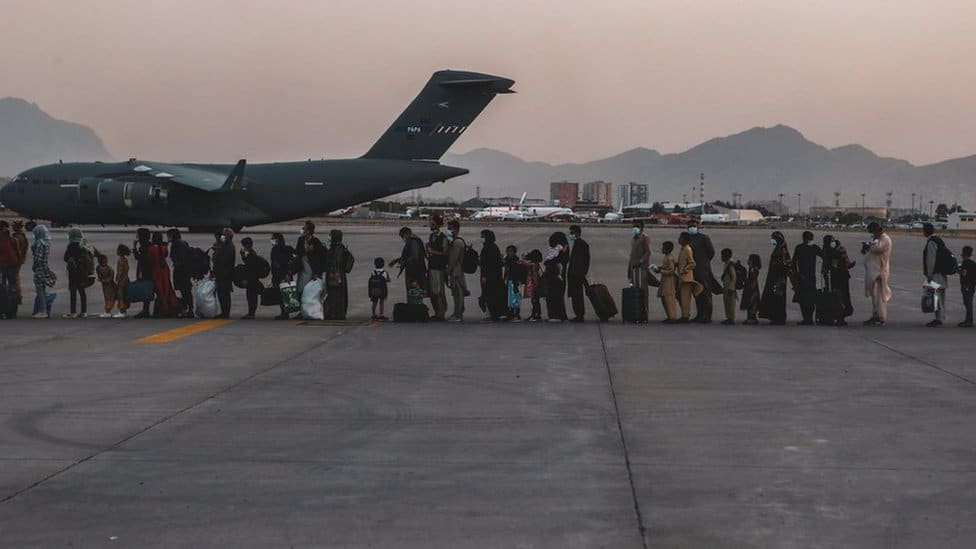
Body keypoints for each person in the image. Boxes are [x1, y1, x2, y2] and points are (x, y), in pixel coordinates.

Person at [861, 222, 892, 326]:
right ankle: (875, 315)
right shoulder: (877, 239)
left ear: (877, 230)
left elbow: (877, 249)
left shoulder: (885, 239)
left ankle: (881, 317)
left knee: (881, 295)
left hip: (881, 271)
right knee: (874, 295)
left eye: (873, 232)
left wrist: (870, 245)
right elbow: (870, 249)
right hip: (874, 271)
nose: (872, 234)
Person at [686, 220, 716, 323]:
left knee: (706, 292)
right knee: (697, 292)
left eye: (693, 226)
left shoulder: (704, 238)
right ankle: (700, 314)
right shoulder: (688, 239)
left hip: (703, 269)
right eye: (690, 226)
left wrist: (704, 262)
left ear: (698, 226)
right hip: (692, 270)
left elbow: (711, 252)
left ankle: (707, 316)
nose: (692, 228)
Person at [760, 231, 791, 325]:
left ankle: (778, 317)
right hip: (775, 277)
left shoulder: (782, 250)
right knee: (776, 296)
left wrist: (776, 266)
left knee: (778, 297)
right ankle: (775, 316)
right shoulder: (779, 248)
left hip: (779, 279)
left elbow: (785, 264)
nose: (772, 240)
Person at [63, 227, 95, 319]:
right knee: (82, 291)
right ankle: (84, 312)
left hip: (73, 272)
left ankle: (73, 312)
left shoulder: (71, 246)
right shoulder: (85, 244)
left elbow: (65, 258)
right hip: (83, 272)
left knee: (73, 292)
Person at [821, 235, 854, 326]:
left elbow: (846, 263)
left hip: (839, 276)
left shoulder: (838, 249)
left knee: (840, 296)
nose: (833, 242)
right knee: (839, 296)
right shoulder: (830, 250)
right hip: (837, 276)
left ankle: (840, 317)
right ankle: (839, 317)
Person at [792, 231, 822, 325]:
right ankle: (808, 318)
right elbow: (824, 256)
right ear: (805, 238)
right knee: (807, 298)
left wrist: (795, 273)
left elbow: (793, 262)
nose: (812, 240)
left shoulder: (800, 248)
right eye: (811, 238)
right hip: (807, 276)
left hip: (804, 276)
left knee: (805, 298)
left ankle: (807, 318)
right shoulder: (812, 248)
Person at [148, 231, 181, 317]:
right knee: (166, 289)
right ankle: (167, 307)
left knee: (160, 290)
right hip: (164, 270)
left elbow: (150, 260)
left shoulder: (151, 249)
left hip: (156, 271)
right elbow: (165, 255)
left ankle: (163, 308)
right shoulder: (164, 247)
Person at [922, 223, 949, 327]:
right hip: (941, 273)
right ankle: (940, 317)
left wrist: (929, 274)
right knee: (941, 296)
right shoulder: (938, 240)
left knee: (935, 296)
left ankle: (938, 319)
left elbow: (930, 259)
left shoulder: (931, 242)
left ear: (925, 231)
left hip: (935, 274)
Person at [391, 227, 427, 301]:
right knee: (413, 293)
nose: (403, 239)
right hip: (415, 270)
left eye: (402, 236)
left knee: (413, 293)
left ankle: (414, 309)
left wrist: (404, 262)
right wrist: (397, 260)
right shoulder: (413, 241)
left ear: (407, 234)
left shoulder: (413, 242)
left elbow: (414, 257)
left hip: (415, 272)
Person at [478, 229, 506, 322]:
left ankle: (493, 315)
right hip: (495, 276)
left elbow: (488, 264)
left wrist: (485, 276)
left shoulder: (489, 248)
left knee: (490, 295)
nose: (481, 239)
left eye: (482, 237)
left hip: (490, 276)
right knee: (492, 295)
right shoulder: (493, 247)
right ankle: (494, 314)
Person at [324, 229, 352, 320]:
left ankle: (334, 313)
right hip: (341, 275)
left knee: (334, 294)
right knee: (340, 295)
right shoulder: (342, 248)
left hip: (334, 275)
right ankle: (339, 313)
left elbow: (333, 262)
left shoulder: (335, 249)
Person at [295, 221, 326, 299]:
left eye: (304, 228)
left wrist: (317, 273)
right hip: (302, 269)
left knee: (309, 291)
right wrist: (305, 250)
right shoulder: (301, 240)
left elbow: (319, 258)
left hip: (311, 270)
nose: (303, 230)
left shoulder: (316, 242)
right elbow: (297, 252)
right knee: (301, 290)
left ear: (308, 231)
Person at [627, 220, 652, 321]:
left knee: (643, 292)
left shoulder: (644, 238)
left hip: (641, 269)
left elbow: (648, 253)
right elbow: (632, 255)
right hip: (633, 270)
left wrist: (640, 262)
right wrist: (629, 269)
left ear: (642, 228)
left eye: (637, 226)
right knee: (635, 292)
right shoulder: (633, 239)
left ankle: (644, 315)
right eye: (633, 226)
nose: (635, 228)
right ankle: (636, 314)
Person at [426, 214, 449, 321]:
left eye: (433, 222)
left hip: (439, 268)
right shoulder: (431, 236)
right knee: (432, 291)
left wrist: (432, 251)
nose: (431, 224)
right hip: (431, 266)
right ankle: (436, 312)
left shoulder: (443, 238)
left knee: (439, 291)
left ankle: (441, 313)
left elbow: (445, 253)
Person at [31, 225, 57, 318]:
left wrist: (34, 267)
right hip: (45, 267)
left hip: (39, 269)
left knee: (40, 291)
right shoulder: (46, 243)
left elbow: (37, 259)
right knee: (42, 290)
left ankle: (42, 311)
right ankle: (41, 309)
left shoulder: (39, 243)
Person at [167, 229, 193, 318]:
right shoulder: (183, 243)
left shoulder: (175, 244)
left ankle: (185, 309)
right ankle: (189, 309)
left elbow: (176, 258)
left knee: (184, 290)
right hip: (186, 269)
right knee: (186, 291)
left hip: (180, 270)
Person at [676, 232, 702, 323]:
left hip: (686, 278)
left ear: (685, 240)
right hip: (682, 277)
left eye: (681, 238)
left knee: (685, 298)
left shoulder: (687, 249)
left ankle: (685, 316)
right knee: (682, 297)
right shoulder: (682, 249)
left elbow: (692, 263)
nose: (679, 239)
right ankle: (684, 314)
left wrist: (684, 270)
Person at [567, 224, 590, 322]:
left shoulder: (581, 244)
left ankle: (579, 315)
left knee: (577, 295)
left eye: (572, 233)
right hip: (576, 273)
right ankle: (579, 314)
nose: (570, 234)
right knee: (575, 295)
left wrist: (582, 272)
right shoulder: (577, 243)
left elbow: (585, 260)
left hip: (577, 274)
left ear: (577, 233)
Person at [544, 232, 569, 322]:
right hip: (560, 276)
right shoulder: (564, 251)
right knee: (559, 296)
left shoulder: (555, 251)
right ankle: (561, 315)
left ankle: (554, 315)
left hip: (553, 275)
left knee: (552, 295)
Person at [269, 232, 295, 320]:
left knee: (282, 295)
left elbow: (277, 264)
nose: (271, 240)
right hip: (286, 274)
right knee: (286, 295)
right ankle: (285, 312)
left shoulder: (275, 250)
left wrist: (285, 275)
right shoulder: (288, 249)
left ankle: (284, 313)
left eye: (273, 238)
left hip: (280, 275)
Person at [445, 220, 467, 322]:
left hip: (456, 271)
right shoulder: (456, 241)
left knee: (458, 294)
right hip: (457, 270)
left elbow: (453, 259)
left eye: (450, 229)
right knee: (457, 293)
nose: (449, 231)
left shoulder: (457, 242)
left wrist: (448, 271)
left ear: (456, 229)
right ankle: (457, 313)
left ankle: (458, 314)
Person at [239, 236, 265, 319]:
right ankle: (251, 313)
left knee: (251, 296)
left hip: (251, 279)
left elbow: (250, 267)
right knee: (251, 296)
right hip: (253, 279)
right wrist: (243, 256)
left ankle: (251, 313)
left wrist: (246, 279)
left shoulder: (251, 254)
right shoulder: (251, 253)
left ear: (247, 245)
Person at [212, 228, 236, 319]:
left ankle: (225, 312)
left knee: (224, 293)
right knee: (222, 293)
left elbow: (221, 261)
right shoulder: (224, 246)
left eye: (224, 235)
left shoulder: (228, 247)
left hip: (225, 274)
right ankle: (224, 312)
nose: (222, 237)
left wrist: (217, 250)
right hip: (221, 273)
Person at [0, 221, 22, 315]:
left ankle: (2, 309)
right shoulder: (13, 239)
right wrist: (18, 265)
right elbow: (18, 253)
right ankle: (13, 310)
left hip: (1, 267)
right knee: (13, 288)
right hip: (12, 266)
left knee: (2, 288)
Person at [654, 240, 678, 323]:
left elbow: (671, 271)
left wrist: (660, 271)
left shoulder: (670, 258)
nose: (662, 249)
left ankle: (672, 317)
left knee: (669, 298)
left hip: (669, 280)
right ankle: (669, 316)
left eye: (663, 248)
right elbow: (666, 267)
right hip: (665, 280)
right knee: (664, 298)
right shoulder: (667, 257)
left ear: (667, 249)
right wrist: (660, 268)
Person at [132, 228, 153, 318]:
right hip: (148, 270)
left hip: (144, 270)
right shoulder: (148, 245)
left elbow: (139, 258)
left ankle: (145, 310)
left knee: (145, 289)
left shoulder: (143, 247)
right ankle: (146, 309)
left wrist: (134, 247)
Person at [503, 245, 524, 320]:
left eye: (511, 251)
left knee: (516, 297)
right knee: (509, 297)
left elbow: (518, 271)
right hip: (508, 280)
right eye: (508, 251)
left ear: (514, 252)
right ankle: (510, 313)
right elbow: (506, 271)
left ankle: (517, 313)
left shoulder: (516, 261)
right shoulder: (506, 260)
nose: (510, 253)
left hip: (515, 281)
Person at [522, 249, 543, 322]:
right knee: (535, 299)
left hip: (533, 282)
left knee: (534, 299)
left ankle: (536, 314)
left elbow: (525, 263)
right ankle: (536, 314)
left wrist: (523, 257)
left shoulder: (533, 264)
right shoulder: (536, 263)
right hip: (535, 282)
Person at [740, 254, 762, 325]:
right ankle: (750, 318)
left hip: (752, 288)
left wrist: (752, 290)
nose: (748, 260)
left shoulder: (753, 269)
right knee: (750, 303)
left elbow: (753, 279)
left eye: (749, 259)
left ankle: (752, 318)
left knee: (752, 303)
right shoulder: (751, 268)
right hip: (751, 288)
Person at [11, 220, 29, 306]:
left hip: (16, 260)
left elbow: (17, 250)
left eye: (14, 226)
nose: (12, 227)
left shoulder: (18, 237)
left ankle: (18, 297)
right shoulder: (21, 236)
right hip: (19, 259)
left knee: (15, 278)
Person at [720, 248, 738, 325]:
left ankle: (731, 318)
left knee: (731, 303)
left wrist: (731, 287)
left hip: (730, 288)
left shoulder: (730, 265)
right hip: (726, 286)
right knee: (727, 303)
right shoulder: (727, 263)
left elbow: (734, 277)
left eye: (722, 256)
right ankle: (729, 317)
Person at [95, 254, 117, 318]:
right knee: (106, 297)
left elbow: (111, 276)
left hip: (110, 285)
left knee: (110, 298)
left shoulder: (109, 268)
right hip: (105, 286)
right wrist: (101, 279)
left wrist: (106, 280)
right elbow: (99, 275)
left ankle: (108, 310)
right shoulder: (98, 267)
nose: (106, 262)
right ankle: (108, 310)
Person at [113, 244, 131, 318]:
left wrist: (117, 279)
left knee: (120, 296)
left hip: (122, 280)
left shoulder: (120, 260)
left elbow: (120, 271)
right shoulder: (125, 259)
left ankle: (122, 311)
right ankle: (124, 310)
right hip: (126, 279)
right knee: (124, 295)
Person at [958, 246, 974, 328]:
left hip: (966, 285)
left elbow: (964, 273)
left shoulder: (965, 263)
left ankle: (969, 320)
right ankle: (968, 320)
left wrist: (958, 270)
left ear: (964, 253)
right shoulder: (973, 263)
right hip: (972, 285)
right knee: (969, 302)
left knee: (967, 303)